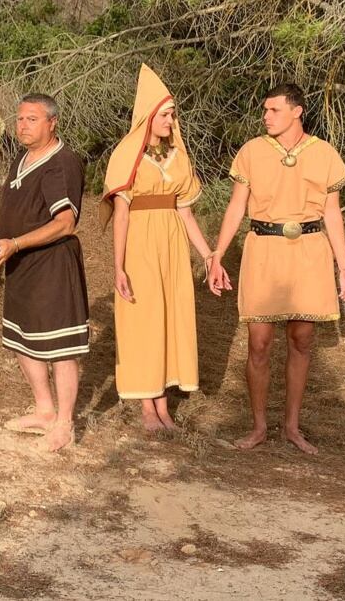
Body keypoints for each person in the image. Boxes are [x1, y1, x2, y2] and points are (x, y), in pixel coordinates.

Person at [207, 83, 345, 454]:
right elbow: (236, 207)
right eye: (265, 110)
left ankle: (292, 427)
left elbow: (332, 213)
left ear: (297, 111)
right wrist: (216, 255)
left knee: (302, 339)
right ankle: (258, 427)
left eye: (273, 110)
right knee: (258, 343)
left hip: (308, 250)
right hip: (264, 249)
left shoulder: (323, 154)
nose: (266, 116)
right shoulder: (252, 151)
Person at [0, 93, 89, 453]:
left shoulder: (61, 164)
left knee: (60, 346)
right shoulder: (23, 158)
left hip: (52, 264)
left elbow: (65, 223)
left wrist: (17, 243)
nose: (22, 125)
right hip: (21, 263)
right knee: (24, 339)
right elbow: (24, 208)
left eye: (32, 119)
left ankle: (64, 424)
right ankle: (44, 410)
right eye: (20, 119)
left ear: (52, 123)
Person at [100, 65, 214, 431]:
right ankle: (148, 407)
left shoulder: (178, 155)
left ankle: (163, 403)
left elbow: (186, 212)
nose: (171, 120)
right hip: (140, 245)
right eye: (165, 114)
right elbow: (121, 215)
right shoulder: (126, 155)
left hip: (173, 247)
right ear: (149, 116)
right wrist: (119, 267)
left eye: (173, 114)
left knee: (170, 317)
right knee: (144, 319)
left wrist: (208, 256)